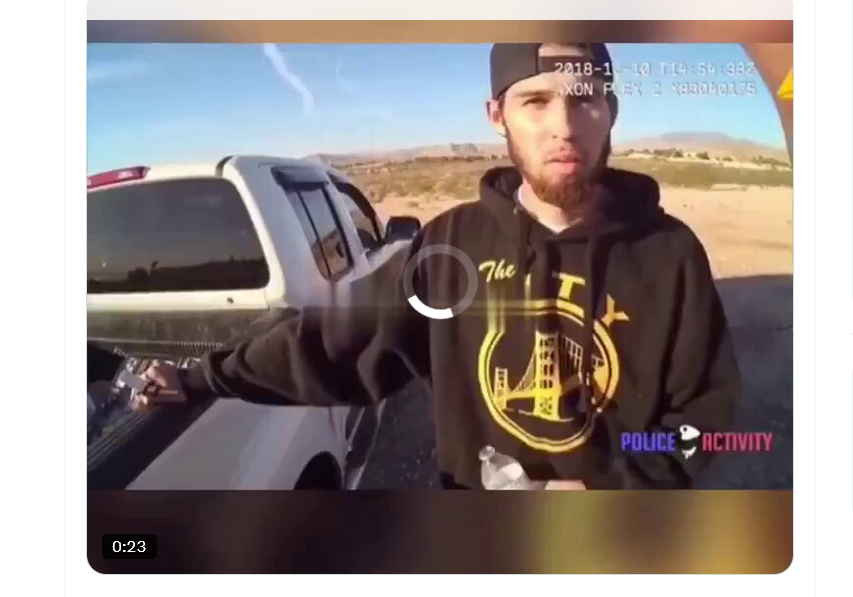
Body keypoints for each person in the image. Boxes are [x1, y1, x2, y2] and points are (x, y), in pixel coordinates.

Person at [135, 43, 740, 490]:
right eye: (535, 101)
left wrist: (612, 487)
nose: (564, 126)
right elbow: (330, 344)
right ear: (497, 115)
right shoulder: (450, 249)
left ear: (611, 109)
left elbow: (704, 424)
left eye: (584, 99)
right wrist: (197, 380)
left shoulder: (671, 254)